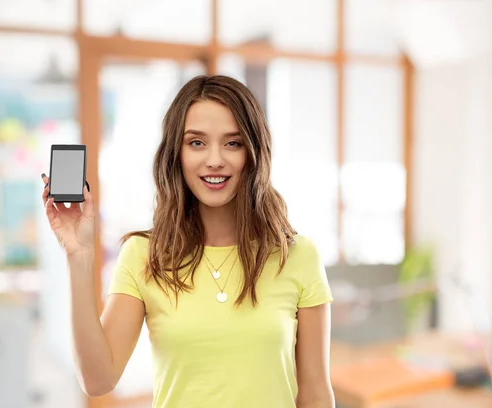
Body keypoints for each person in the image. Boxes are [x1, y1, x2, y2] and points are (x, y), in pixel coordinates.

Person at [40, 75, 335, 408]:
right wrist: (78, 257)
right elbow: (97, 380)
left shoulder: (297, 256)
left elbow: (315, 393)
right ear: (176, 154)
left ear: (254, 153)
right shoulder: (143, 256)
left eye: (232, 143)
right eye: (196, 143)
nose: (214, 160)